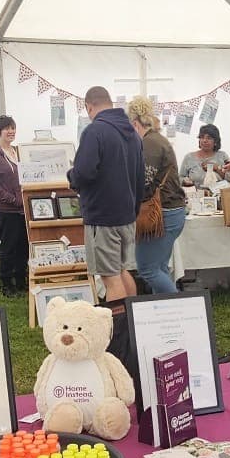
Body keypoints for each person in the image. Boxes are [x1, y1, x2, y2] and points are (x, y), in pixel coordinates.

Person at [67, 85, 144, 301]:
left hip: (103, 217)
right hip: (127, 216)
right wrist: (133, 210)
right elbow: (140, 177)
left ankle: (119, 330)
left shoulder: (94, 131)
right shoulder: (134, 133)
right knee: (121, 270)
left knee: (110, 278)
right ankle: (132, 324)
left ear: (89, 106)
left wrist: (71, 176)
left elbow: (83, 172)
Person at [127, 95, 188, 292]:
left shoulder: (149, 144)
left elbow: (144, 184)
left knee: (148, 269)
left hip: (162, 214)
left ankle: (178, 309)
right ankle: (163, 316)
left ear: (135, 123)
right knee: (159, 268)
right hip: (171, 212)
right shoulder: (157, 140)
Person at [0, 116, 26, 296]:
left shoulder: (19, 151)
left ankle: (21, 280)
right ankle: (7, 283)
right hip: (7, 210)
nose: (11, 131)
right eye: (7, 128)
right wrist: (13, 199)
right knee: (9, 246)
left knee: (23, 246)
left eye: (13, 128)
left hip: (24, 210)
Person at [179, 124, 230, 188]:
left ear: (215, 141)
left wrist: (216, 168)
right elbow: (179, 178)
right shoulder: (189, 157)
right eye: (202, 137)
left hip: (218, 196)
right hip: (195, 196)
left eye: (209, 138)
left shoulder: (222, 156)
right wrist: (184, 181)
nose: (205, 140)